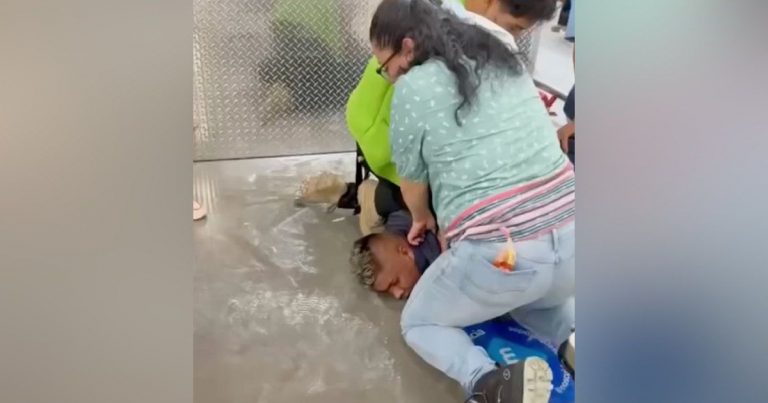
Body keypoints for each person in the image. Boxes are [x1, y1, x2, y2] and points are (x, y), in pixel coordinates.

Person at [368, 1, 575, 402]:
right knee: (536, 307)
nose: (388, 77)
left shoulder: (413, 87)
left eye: (385, 67)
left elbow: (413, 186)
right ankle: (567, 356)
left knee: (419, 323)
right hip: (575, 238)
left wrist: (422, 219)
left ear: (407, 47)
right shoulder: (499, 53)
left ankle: (490, 384)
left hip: (506, 253)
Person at [296, 0, 558, 215]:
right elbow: (415, 166)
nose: (512, 38)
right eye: (513, 27)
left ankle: (366, 196)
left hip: (375, 124)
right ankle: (367, 197)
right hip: (386, 142)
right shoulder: (454, 38)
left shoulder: (443, 17)